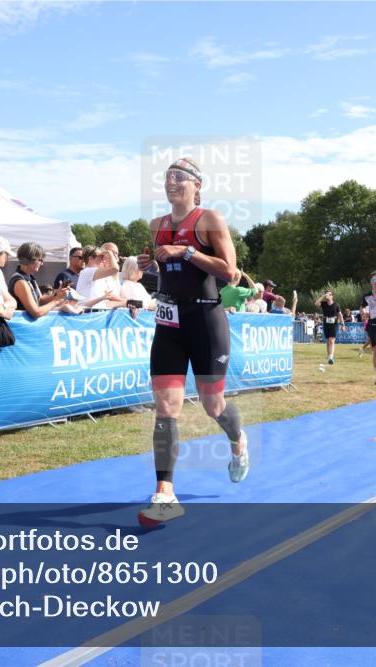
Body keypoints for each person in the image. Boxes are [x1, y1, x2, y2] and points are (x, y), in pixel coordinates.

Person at [135, 157, 248, 527]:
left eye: (180, 177)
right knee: (166, 406)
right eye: (167, 177)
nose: (172, 182)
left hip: (205, 320)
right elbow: (166, 269)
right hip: (169, 322)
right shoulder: (157, 225)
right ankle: (164, 493)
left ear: (197, 185)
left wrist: (186, 251)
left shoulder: (209, 220)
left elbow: (230, 272)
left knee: (212, 404)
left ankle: (237, 439)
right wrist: (147, 264)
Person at [8, 241, 78, 317]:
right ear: (30, 259)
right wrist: (56, 301)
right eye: (40, 260)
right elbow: (36, 312)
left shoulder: (29, 277)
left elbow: (40, 300)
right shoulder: (20, 282)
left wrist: (57, 293)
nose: (42, 263)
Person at [315, 290, 344, 365]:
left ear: (332, 296)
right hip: (326, 323)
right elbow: (316, 303)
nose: (328, 295)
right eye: (326, 294)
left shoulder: (336, 304)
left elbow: (340, 315)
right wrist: (323, 296)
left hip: (334, 324)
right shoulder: (323, 303)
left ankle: (331, 357)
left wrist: (342, 324)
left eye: (329, 294)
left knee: (331, 340)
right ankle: (329, 357)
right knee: (328, 341)